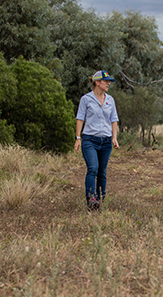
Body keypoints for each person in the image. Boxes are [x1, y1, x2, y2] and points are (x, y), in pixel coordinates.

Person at [74, 70, 120, 211]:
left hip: (106, 141)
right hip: (89, 140)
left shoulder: (110, 100)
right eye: (105, 81)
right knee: (93, 168)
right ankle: (91, 198)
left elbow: (114, 120)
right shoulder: (86, 99)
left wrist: (114, 137)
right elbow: (80, 119)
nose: (108, 83)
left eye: (109, 81)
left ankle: (100, 199)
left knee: (102, 171)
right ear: (97, 82)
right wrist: (78, 138)